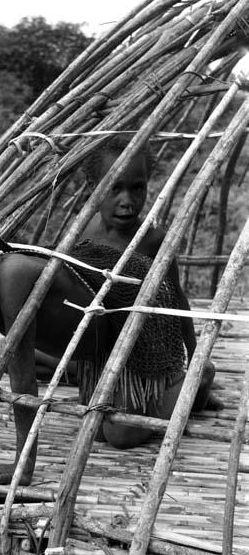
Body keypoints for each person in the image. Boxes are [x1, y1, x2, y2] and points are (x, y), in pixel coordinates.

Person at [0, 197, 191, 486]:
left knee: (119, 434)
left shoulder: (14, 273)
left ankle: (195, 381)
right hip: (86, 350)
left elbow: (23, 382)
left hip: (130, 338)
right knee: (6, 354)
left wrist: (22, 467)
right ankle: (86, 376)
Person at [81, 137, 221, 411]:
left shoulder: (153, 240)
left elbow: (177, 299)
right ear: (92, 187)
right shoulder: (82, 233)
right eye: (115, 188)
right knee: (5, 348)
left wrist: (195, 357)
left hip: (145, 354)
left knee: (123, 434)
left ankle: (198, 385)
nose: (127, 201)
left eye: (137, 188)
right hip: (97, 351)